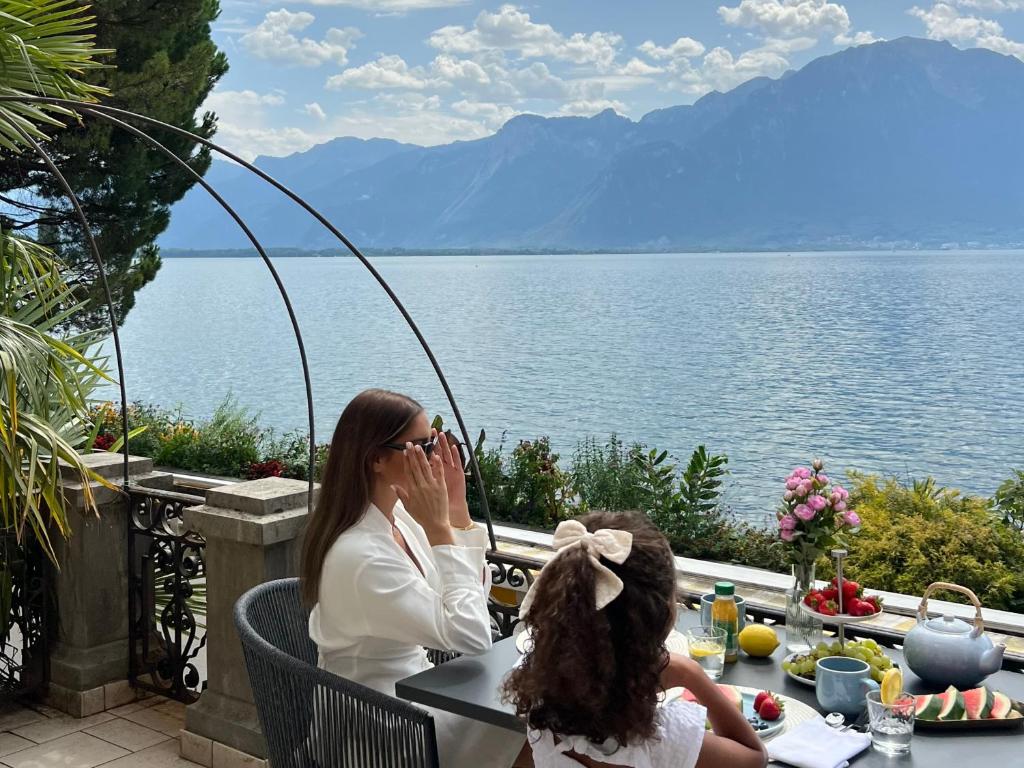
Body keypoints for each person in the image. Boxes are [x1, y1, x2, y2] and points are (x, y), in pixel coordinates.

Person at [303, 388, 527, 768]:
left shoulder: (401, 522)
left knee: (545, 722)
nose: (434, 458)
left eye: (436, 444)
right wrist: (440, 529)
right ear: (376, 458)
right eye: (422, 447)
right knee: (541, 727)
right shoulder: (361, 556)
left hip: (421, 693)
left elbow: (463, 600)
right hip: (380, 724)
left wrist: (456, 515)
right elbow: (473, 635)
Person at [503, 511, 768, 768]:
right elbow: (755, 757)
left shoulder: (543, 714)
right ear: (663, 616)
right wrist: (691, 673)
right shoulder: (661, 742)